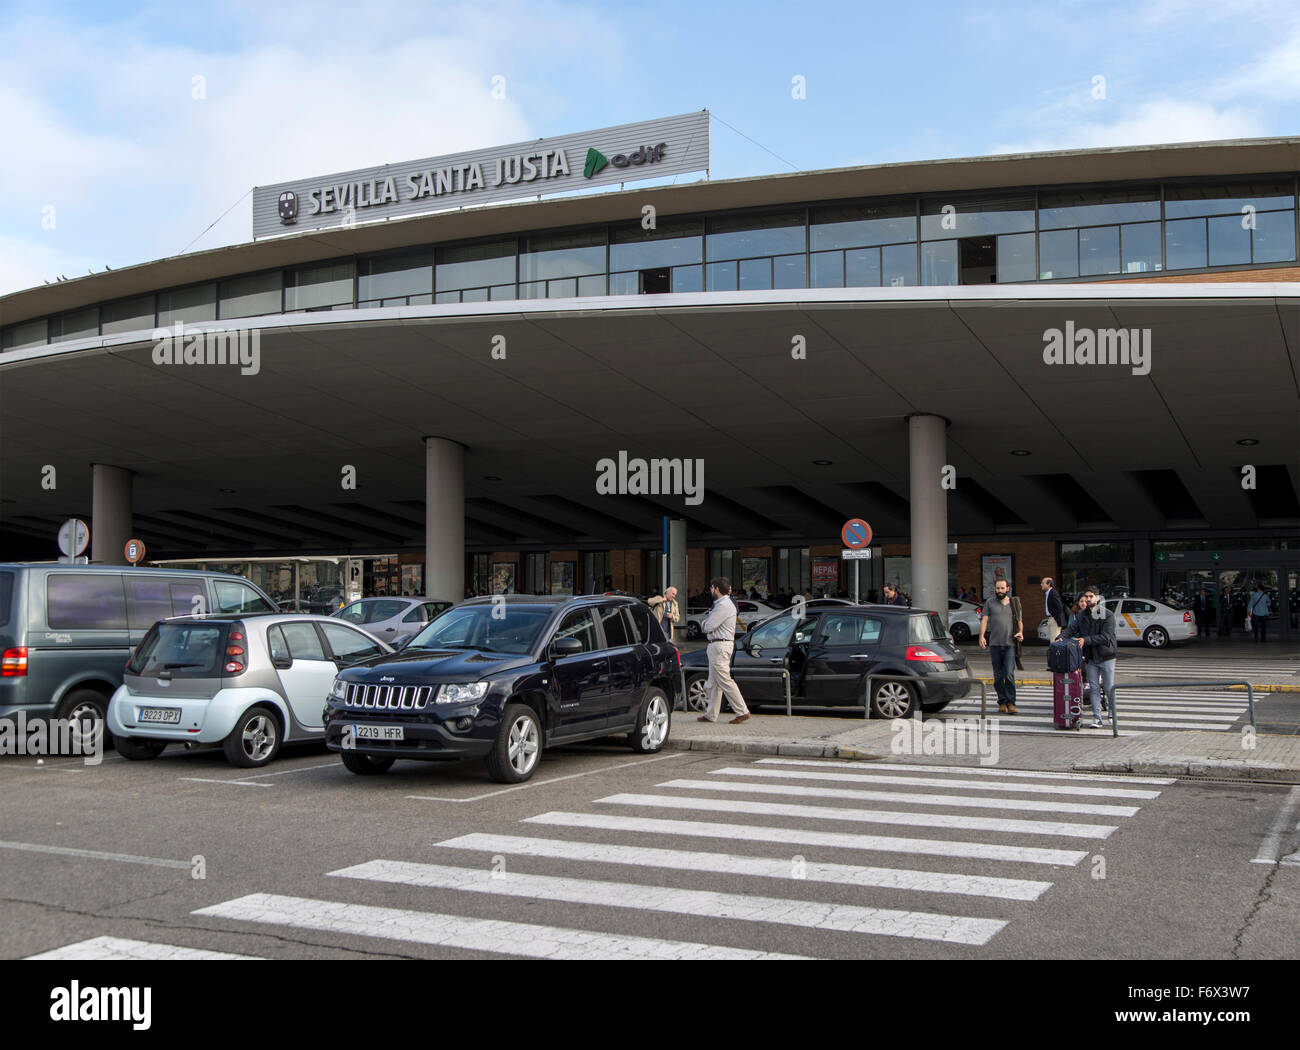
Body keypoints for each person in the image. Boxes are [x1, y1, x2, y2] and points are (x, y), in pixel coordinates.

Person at [1060, 586, 1117, 729]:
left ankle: (1112, 713)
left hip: (1106, 656)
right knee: (1093, 688)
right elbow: (1072, 628)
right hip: (1091, 657)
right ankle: (1097, 719)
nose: (1088, 599)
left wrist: (1086, 640)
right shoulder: (1082, 615)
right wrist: (1061, 637)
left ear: (1098, 597)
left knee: (1109, 687)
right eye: (1087, 596)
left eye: (1091, 596)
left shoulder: (1107, 614)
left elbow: (1106, 637)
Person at [697, 577, 751, 725]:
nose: (710, 590)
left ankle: (742, 711)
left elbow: (708, 626)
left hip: (720, 645)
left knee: (724, 680)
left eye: (712, 588)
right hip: (719, 645)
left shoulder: (723, 605)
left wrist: (705, 623)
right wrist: (707, 623)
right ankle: (711, 714)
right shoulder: (722, 604)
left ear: (717, 589)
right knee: (715, 683)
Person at [979, 577, 1022, 714]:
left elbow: (1019, 621)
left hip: (1010, 644)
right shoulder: (990, 603)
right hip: (995, 645)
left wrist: (1020, 632)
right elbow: (984, 620)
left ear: (1007, 589)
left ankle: (1011, 703)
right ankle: (1002, 702)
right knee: (998, 677)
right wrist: (981, 636)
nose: (1000, 591)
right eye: (998, 588)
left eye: (1002, 588)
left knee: (1009, 674)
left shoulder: (1014, 603)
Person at [1041, 577, 1068, 644]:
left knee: (1055, 640)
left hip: (1054, 619)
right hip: (1052, 618)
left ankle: (1055, 654)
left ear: (1048, 584)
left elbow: (1059, 607)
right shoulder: (1049, 593)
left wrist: (1055, 618)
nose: (1041, 584)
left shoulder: (1053, 593)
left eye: (1043, 583)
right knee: (1053, 639)